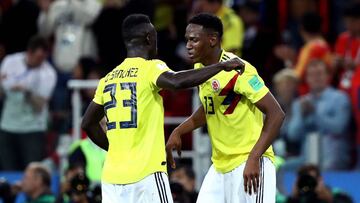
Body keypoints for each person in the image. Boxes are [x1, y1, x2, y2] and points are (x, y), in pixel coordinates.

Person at [81, 14, 244, 203]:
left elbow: (88, 123)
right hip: (146, 174)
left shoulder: (108, 79)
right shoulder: (151, 67)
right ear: (149, 38)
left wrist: (114, 148)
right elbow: (176, 81)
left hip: (112, 178)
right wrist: (221, 66)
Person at [166, 13, 285, 203]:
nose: (188, 45)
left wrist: (254, 158)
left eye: (194, 40)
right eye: (187, 40)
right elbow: (211, 106)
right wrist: (180, 130)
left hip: (249, 160)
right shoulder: (200, 69)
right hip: (219, 166)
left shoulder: (239, 69)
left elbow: (276, 113)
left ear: (212, 39)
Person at [0, 35, 57, 170]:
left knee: (32, 170)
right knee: (8, 169)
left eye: (43, 58)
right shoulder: (10, 62)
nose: (40, 62)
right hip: (8, 125)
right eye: (38, 58)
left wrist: (27, 92)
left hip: (33, 128)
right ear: (29, 52)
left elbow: (40, 106)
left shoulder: (48, 73)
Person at [287, 60, 351, 170]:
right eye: (312, 75)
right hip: (307, 158)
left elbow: (339, 128)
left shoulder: (340, 98)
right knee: (282, 169)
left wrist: (314, 113)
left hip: (334, 157)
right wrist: (301, 116)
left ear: (328, 76)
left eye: (319, 74)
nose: (316, 78)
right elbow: (293, 135)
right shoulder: (300, 103)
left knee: (326, 166)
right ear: (307, 79)